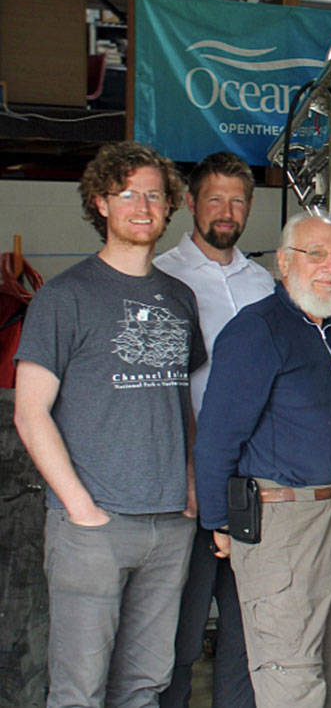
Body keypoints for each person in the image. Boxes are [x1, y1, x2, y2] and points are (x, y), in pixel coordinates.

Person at [13, 142, 202, 707]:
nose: (142, 206)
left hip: (170, 523)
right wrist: (79, 507)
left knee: (145, 684)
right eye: (127, 194)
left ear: (170, 207)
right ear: (100, 202)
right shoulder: (65, 297)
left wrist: (190, 486)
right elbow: (30, 412)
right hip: (93, 526)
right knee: (80, 690)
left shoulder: (179, 297)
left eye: (154, 195)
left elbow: (179, 403)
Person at [194, 212, 331, 708]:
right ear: (285, 263)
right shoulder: (257, 331)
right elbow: (217, 436)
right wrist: (219, 521)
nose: (329, 267)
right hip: (280, 520)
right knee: (290, 671)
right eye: (315, 255)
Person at [156, 151, 274, 708]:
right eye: (215, 199)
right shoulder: (162, 278)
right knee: (177, 633)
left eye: (237, 201)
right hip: (189, 481)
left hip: (256, 484)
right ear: (190, 204)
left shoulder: (265, 282)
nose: (226, 212)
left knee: (249, 629)